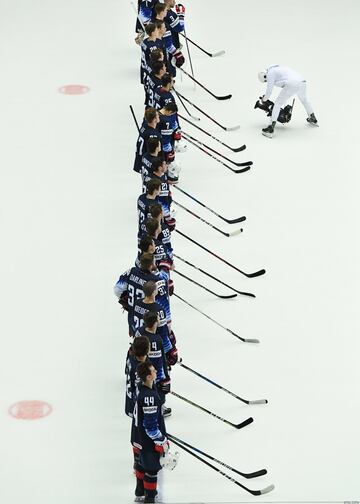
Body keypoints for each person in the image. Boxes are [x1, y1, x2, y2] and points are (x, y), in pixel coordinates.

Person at [133, 361, 171, 503]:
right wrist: (162, 440)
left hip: (138, 437)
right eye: (154, 371)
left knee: (142, 464)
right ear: (148, 377)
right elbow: (150, 427)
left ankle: (139, 490)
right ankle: (149, 498)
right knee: (152, 470)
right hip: (148, 441)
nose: (156, 372)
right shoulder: (150, 397)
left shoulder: (142, 387)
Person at [114, 252, 170, 335]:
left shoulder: (132, 271)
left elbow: (117, 290)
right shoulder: (156, 281)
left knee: (138, 343)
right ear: (152, 264)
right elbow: (164, 306)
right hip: (150, 322)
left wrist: (128, 302)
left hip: (134, 319)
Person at [258, 64, 318, 138]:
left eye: (265, 80)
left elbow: (269, 91)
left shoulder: (270, 73)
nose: (267, 81)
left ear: (264, 75)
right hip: (302, 81)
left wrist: (264, 99)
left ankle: (270, 128)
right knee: (304, 100)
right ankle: (312, 117)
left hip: (292, 83)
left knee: (278, 103)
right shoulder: (277, 69)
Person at [125, 336, 150, 479]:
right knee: (142, 434)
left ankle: (137, 462)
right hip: (138, 405)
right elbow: (142, 389)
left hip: (131, 403)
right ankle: (140, 463)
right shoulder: (141, 368)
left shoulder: (131, 359)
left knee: (136, 433)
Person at [134, 108, 161, 173]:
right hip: (148, 161)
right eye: (157, 115)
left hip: (140, 159)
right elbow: (155, 150)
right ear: (154, 119)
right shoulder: (153, 134)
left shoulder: (144, 126)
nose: (159, 116)